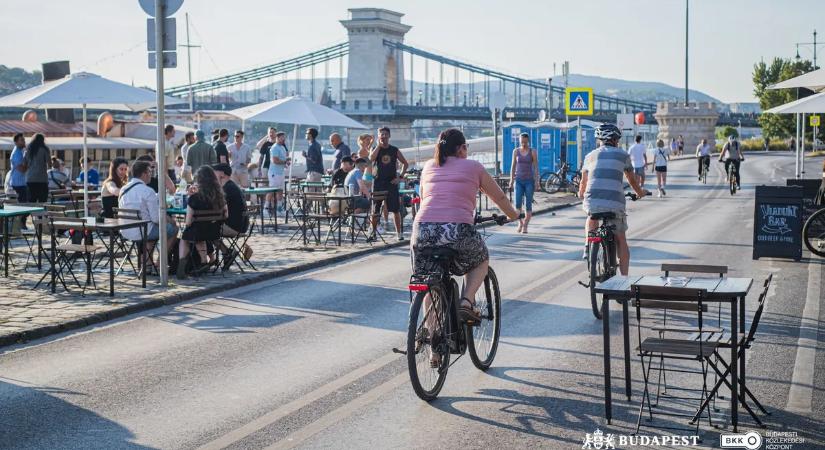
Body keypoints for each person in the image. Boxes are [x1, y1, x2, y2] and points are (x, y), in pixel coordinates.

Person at [413, 128, 518, 333]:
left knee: (429, 281)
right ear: (461, 148)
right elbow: (500, 198)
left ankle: (432, 343)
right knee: (481, 259)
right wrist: (513, 216)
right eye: (466, 147)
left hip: (422, 230)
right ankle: (466, 302)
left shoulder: (428, 166)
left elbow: (426, 197)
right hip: (457, 229)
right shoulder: (474, 167)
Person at [577, 123, 646, 273]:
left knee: (591, 216)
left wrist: (581, 194)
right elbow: (632, 180)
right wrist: (640, 193)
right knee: (621, 239)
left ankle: (588, 245)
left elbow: (583, 183)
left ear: (599, 140)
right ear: (615, 140)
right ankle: (624, 281)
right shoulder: (623, 155)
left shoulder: (589, 156)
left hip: (592, 201)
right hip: (615, 204)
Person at [119, 160, 178, 262]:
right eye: (150, 172)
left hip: (125, 230)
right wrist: (170, 220)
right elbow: (156, 219)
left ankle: (147, 263)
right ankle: (160, 262)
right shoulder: (148, 191)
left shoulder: (123, 189)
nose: (151, 175)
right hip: (142, 231)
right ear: (144, 174)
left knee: (151, 228)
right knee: (174, 229)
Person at [177, 166, 226, 278]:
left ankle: (181, 265)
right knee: (200, 232)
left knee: (184, 238)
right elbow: (226, 215)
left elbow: (188, 222)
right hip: (214, 233)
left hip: (198, 233)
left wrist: (190, 197)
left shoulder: (194, 198)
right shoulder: (220, 196)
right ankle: (203, 261)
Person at [369, 126, 409, 241]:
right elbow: (371, 159)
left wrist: (399, 177)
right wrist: (378, 146)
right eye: (382, 134)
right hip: (378, 182)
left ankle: (399, 234)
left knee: (395, 210)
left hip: (391, 183)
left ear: (389, 136)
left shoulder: (394, 150)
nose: (384, 136)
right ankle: (373, 233)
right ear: (379, 136)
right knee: (375, 210)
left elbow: (405, 164)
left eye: (386, 134)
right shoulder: (375, 148)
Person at [212, 163, 249, 271]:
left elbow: (218, 208)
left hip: (234, 226)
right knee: (206, 228)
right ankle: (225, 253)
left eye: (215, 173)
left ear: (222, 174)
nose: (213, 175)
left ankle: (223, 253)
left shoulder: (227, 189)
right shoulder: (231, 185)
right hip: (241, 224)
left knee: (206, 230)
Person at [508, 132, 539, 234]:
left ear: (528, 141)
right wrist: (511, 180)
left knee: (528, 205)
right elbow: (513, 166)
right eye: (522, 142)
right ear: (519, 141)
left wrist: (537, 181)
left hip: (529, 181)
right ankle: (520, 223)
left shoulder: (533, 151)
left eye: (525, 142)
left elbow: (535, 167)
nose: (524, 144)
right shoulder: (516, 151)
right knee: (517, 206)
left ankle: (525, 225)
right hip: (518, 181)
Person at [23, 133, 50, 203]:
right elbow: (49, 163)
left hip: (30, 178)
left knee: (31, 201)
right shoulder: (45, 149)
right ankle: (42, 214)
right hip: (42, 179)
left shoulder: (28, 150)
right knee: (43, 201)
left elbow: (24, 164)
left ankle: (32, 214)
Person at [267, 131, 289, 212]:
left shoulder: (283, 147)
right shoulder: (274, 147)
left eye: (284, 137)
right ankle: (266, 208)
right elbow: (275, 160)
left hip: (281, 172)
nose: (283, 139)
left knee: (280, 191)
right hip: (274, 173)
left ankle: (279, 209)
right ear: (277, 138)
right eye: (282, 137)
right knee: (271, 190)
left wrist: (286, 162)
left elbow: (283, 159)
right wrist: (284, 162)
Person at [9, 133, 28, 205]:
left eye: (24, 140)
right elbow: (22, 169)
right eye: (22, 140)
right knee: (23, 207)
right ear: (16, 142)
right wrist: (27, 160)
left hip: (20, 183)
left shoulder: (19, 152)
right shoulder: (16, 153)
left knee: (24, 207)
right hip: (18, 185)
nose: (24, 142)